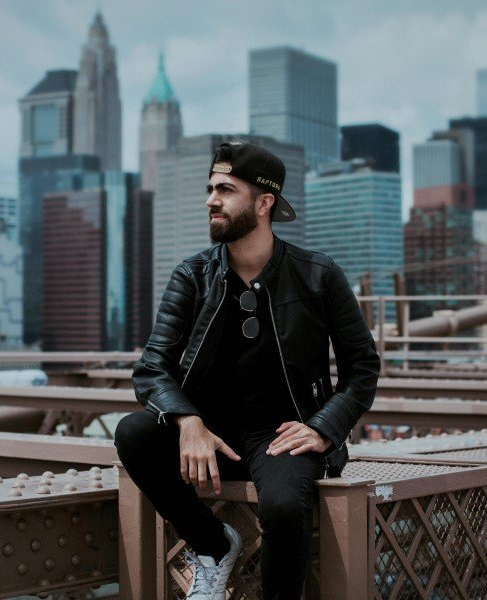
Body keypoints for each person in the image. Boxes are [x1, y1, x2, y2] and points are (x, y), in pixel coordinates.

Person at [114, 142, 380, 599]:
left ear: (263, 203)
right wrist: (187, 420)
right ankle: (214, 546)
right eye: (209, 189)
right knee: (133, 434)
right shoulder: (191, 275)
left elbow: (362, 368)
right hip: (210, 433)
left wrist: (322, 428)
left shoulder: (318, 275)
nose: (210, 200)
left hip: (281, 434)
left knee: (281, 507)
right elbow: (152, 368)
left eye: (225, 189)